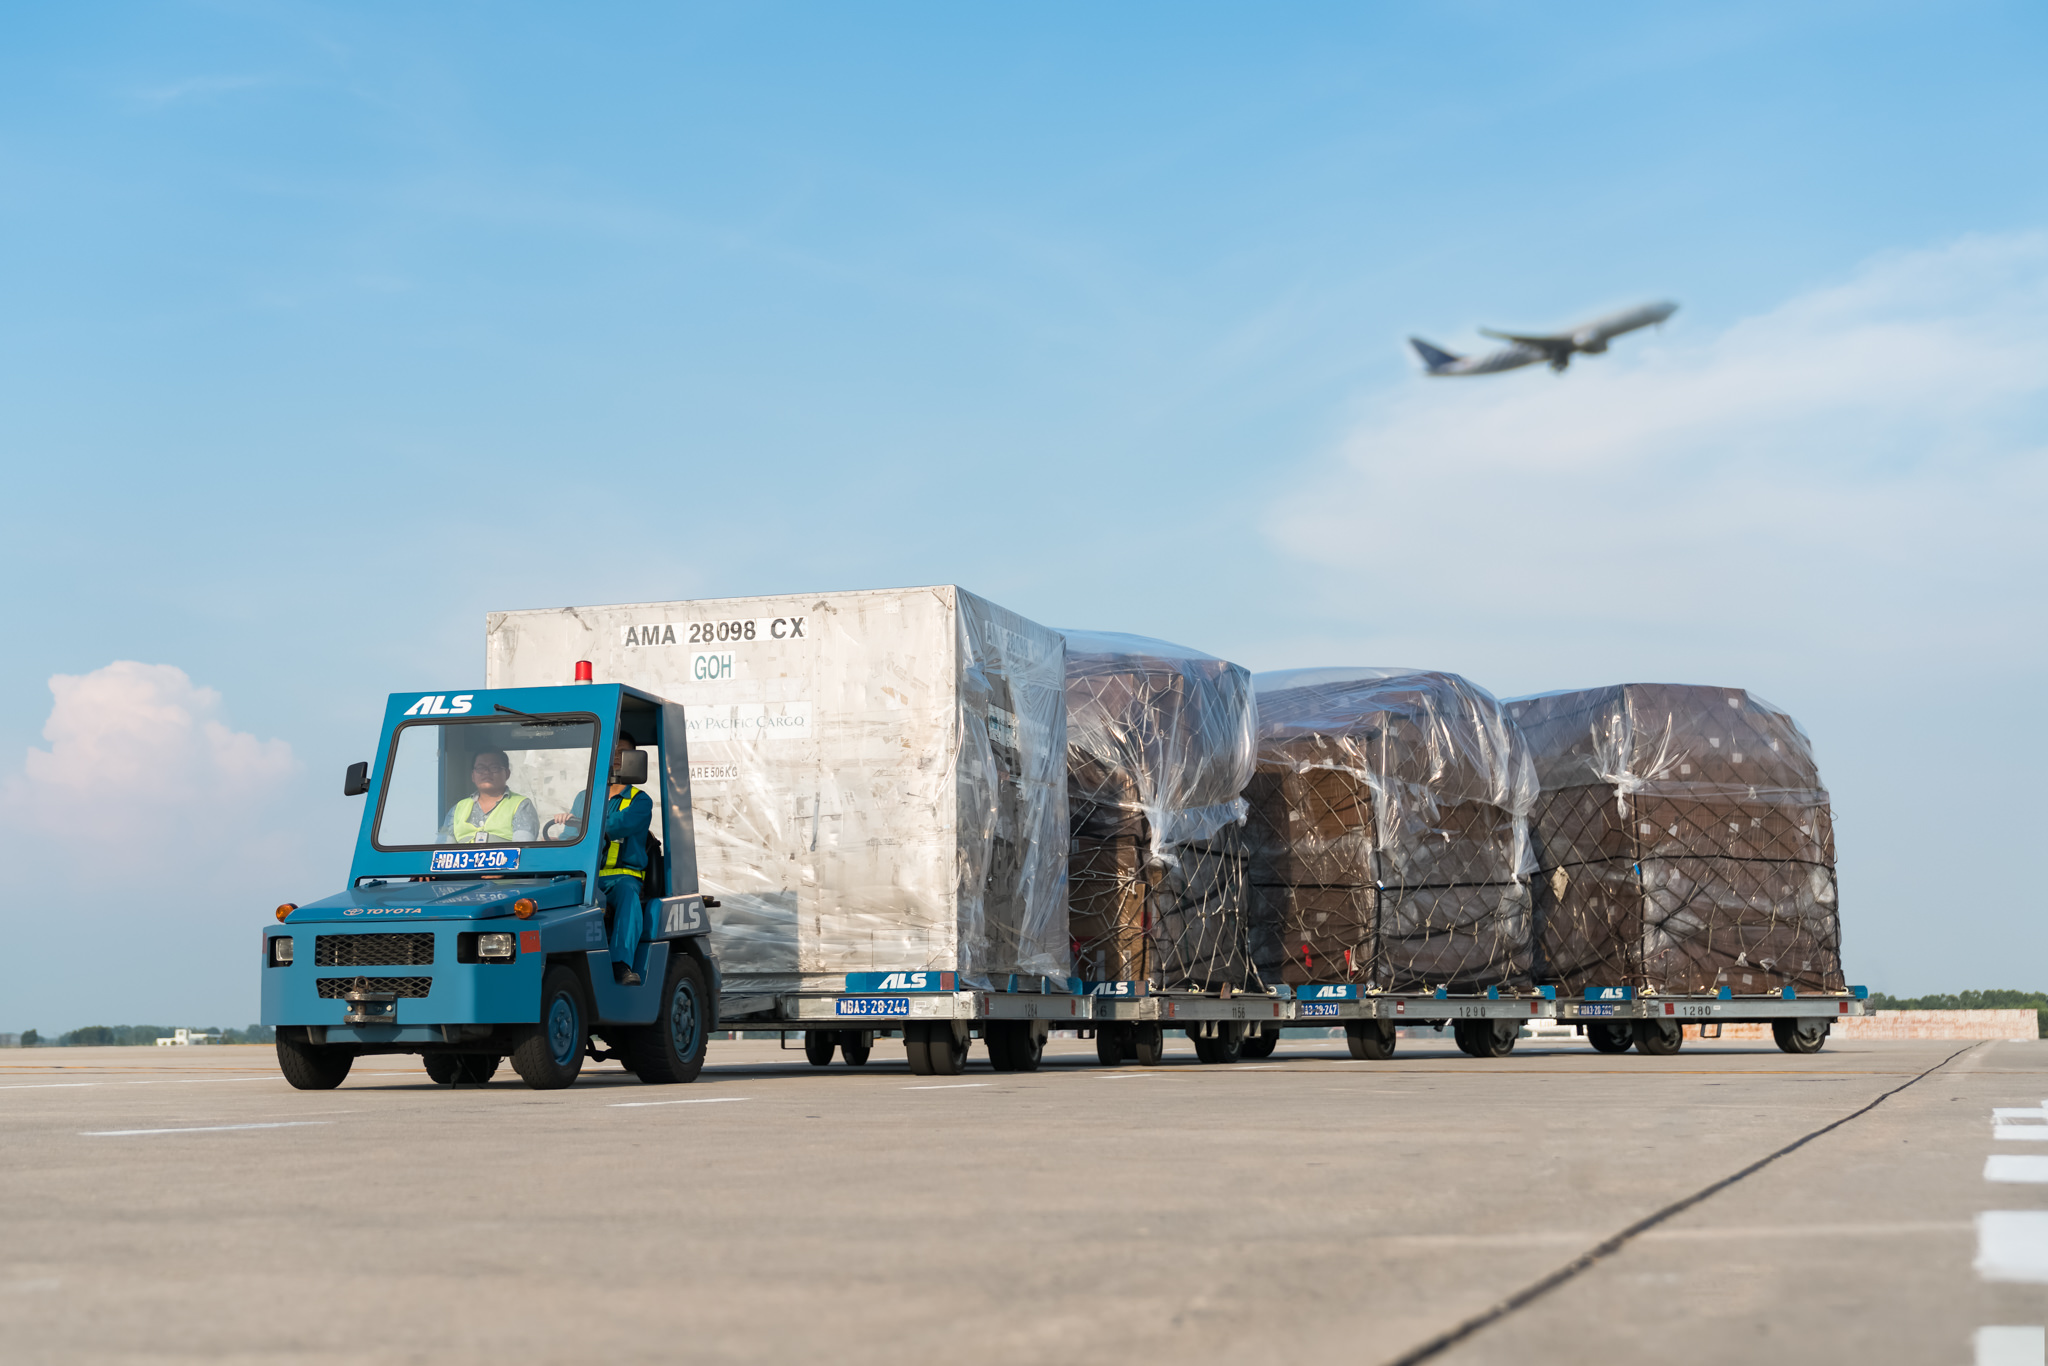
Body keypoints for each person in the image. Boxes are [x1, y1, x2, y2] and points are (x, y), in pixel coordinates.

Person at [592, 738, 655, 986]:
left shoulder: (640, 801)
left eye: (623, 752)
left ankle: (621, 963)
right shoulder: (587, 795)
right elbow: (569, 834)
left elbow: (621, 824)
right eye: (612, 750)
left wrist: (581, 824)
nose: (617, 756)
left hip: (623, 876)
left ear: (634, 759)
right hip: (589, 876)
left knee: (628, 896)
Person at [438, 749, 539, 844]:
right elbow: (441, 853)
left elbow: (523, 849)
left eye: (494, 767)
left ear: (507, 773)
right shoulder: (457, 810)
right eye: (480, 768)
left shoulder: (521, 805)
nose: (486, 772)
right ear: (473, 775)